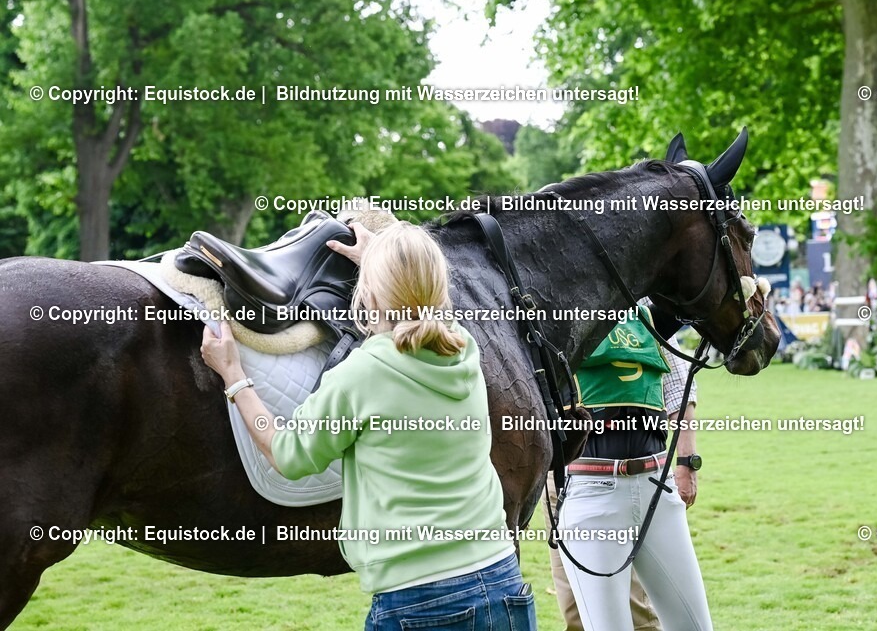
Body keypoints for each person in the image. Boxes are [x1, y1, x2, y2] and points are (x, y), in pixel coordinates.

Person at [200, 221, 537, 631]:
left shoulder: (361, 374)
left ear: (371, 293)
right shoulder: (465, 348)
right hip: (502, 578)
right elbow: (426, 309)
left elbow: (287, 454)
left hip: (419, 600)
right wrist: (391, 262)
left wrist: (234, 375)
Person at [556, 304, 713, 631]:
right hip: (590, 488)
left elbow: (679, 384)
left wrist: (687, 460)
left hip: (658, 488)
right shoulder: (554, 307)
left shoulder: (647, 310)